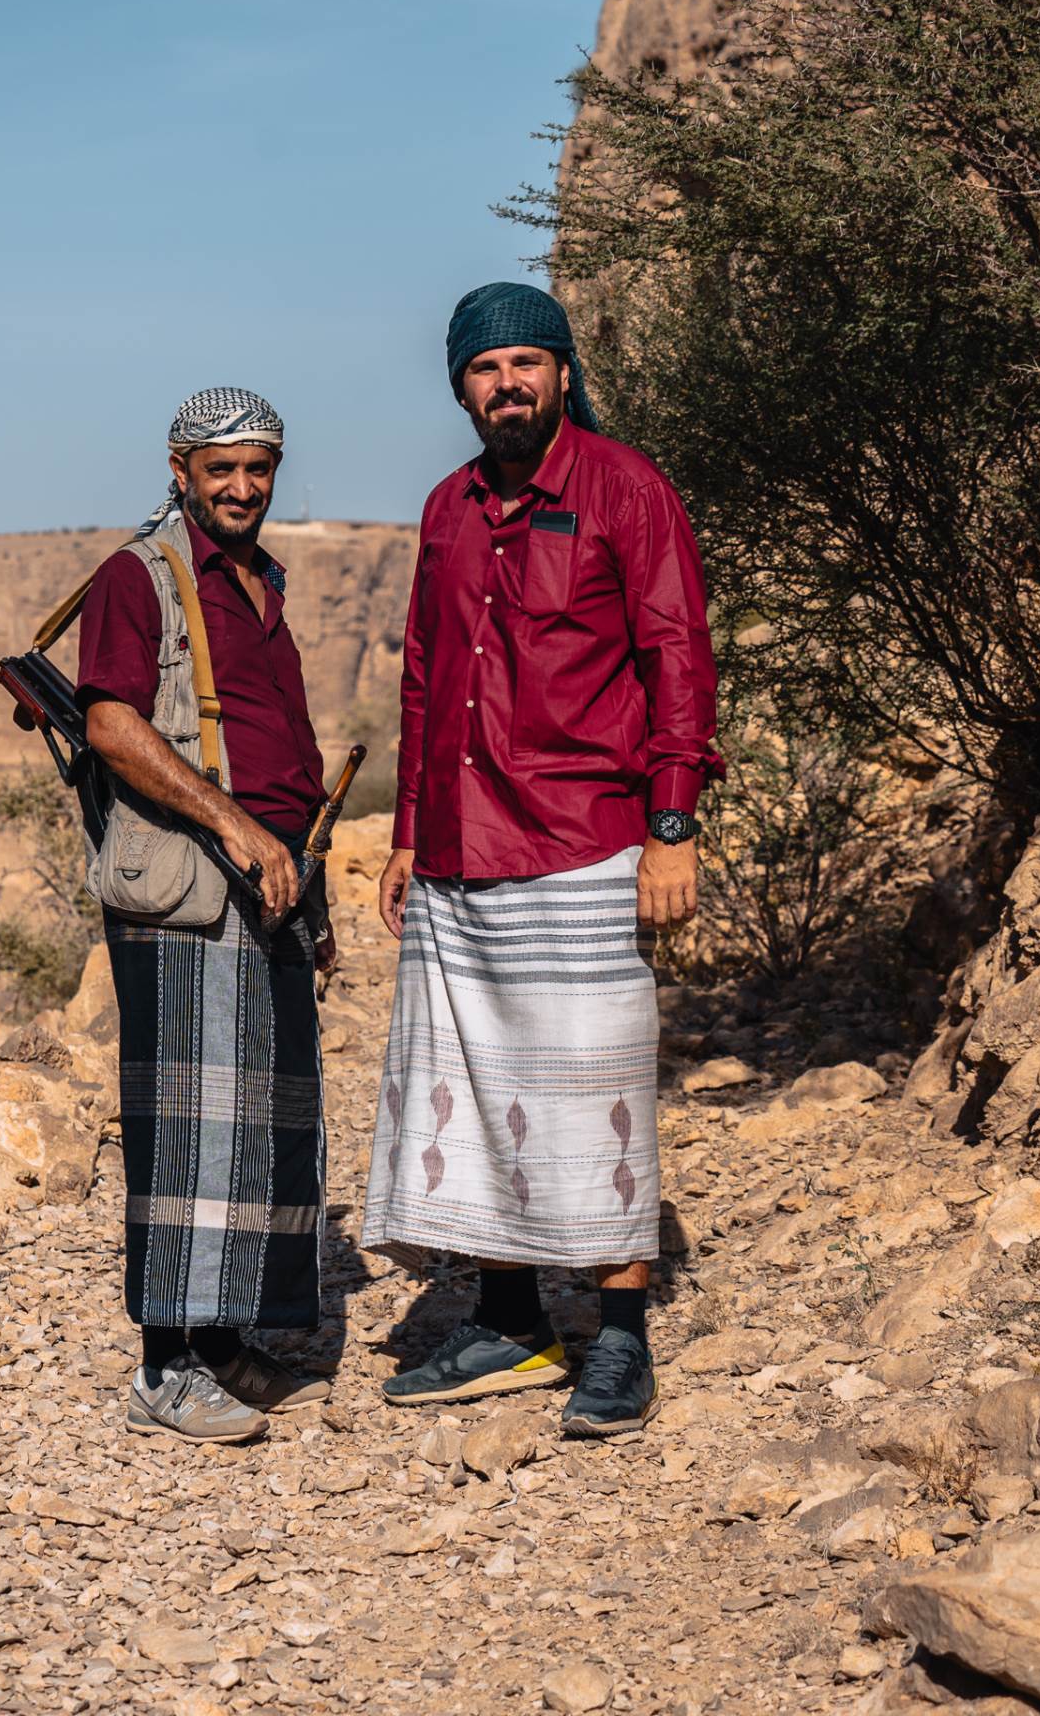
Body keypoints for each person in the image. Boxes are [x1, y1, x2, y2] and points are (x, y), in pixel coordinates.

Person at [362, 283, 722, 1437]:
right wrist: (410, 834)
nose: (506, 385)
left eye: (527, 362)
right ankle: (511, 1327)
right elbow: (425, 675)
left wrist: (672, 824)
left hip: (584, 837)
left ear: (563, 372)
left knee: (593, 1090)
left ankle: (620, 1342)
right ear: (460, 386)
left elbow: (678, 657)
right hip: (461, 848)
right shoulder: (448, 508)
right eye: (484, 368)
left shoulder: (627, 488)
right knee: (472, 1090)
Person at [77, 386, 334, 1444]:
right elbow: (111, 724)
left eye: (257, 468)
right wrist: (236, 826)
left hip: (270, 882)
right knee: (189, 1126)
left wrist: (301, 871)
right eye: (219, 468)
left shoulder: (258, 578)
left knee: (262, 1121)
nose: (240, 487)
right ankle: (164, 1370)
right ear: (179, 469)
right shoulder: (137, 578)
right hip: (191, 885)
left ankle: (224, 1342)